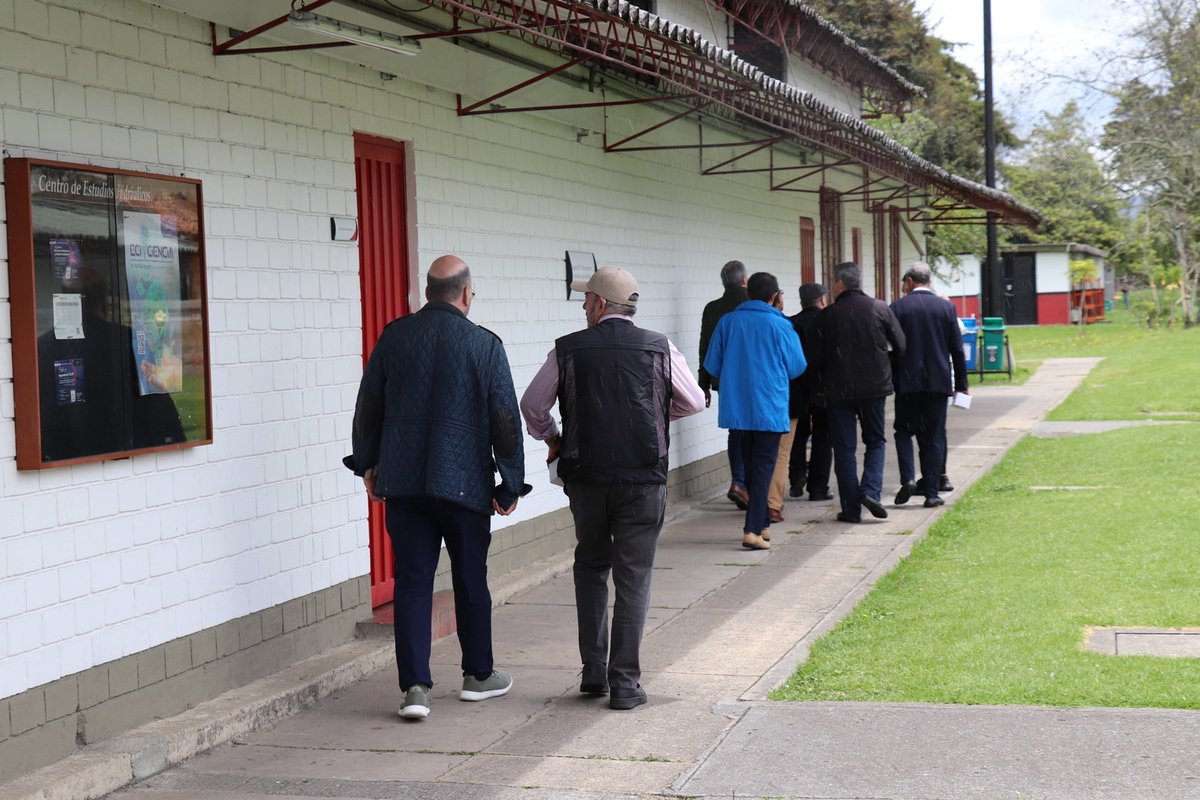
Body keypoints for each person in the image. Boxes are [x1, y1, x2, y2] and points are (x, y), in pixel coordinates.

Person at [343, 255, 529, 721]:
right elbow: (504, 420)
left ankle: (415, 690)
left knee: (411, 583)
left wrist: (368, 464)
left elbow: (368, 406)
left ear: (428, 292)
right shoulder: (485, 345)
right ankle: (478, 675)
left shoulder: (394, 337)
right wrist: (508, 485)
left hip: (404, 483)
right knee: (470, 578)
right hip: (465, 487)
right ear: (466, 293)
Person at [520, 266, 704, 711]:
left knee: (590, 567)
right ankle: (625, 683)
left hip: (586, 478)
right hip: (644, 478)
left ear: (601, 304)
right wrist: (657, 416)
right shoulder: (660, 347)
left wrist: (553, 437)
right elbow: (694, 400)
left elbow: (532, 405)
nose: (584, 306)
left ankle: (593, 672)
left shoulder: (568, 350)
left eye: (587, 300)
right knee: (634, 577)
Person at [703, 272, 806, 550]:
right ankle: (752, 530)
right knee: (763, 468)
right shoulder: (781, 325)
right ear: (774, 297)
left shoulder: (728, 322)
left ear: (748, 293)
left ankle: (762, 524)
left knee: (749, 467)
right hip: (769, 406)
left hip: (737, 406)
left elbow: (712, 364)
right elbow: (797, 366)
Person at [810, 262, 906, 524]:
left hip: (838, 390)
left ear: (840, 283)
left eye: (833, 281)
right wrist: (885, 366)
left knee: (844, 448)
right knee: (876, 440)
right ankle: (871, 490)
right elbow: (900, 345)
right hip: (874, 388)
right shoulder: (879, 308)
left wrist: (820, 386)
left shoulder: (828, 315)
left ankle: (851, 509)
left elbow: (815, 358)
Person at [890, 263, 969, 508]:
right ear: (930, 281)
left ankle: (908, 477)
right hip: (938, 381)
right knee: (933, 437)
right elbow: (956, 349)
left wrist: (893, 378)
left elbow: (892, 348)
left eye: (905, 282)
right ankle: (932, 494)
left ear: (911, 280)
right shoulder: (947, 308)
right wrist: (962, 385)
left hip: (907, 381)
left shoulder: (898, 308)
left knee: (903, 430)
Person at [698, 260, 750, 510]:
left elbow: (705, 348)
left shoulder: (713, 308)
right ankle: (750, 483)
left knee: (736, 430)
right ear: (744, 280)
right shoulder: (752, 306)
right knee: (755, 431)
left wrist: (703, 384)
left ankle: (738, 481)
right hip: (752, 378)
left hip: (724, 379)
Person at [785, 283, 834, 503]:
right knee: (823, 437)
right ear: (823, 299)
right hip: (824, 388)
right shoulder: (830, 321)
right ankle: (818, 488)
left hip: (796, 387)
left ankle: (797, 477)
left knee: (797, 435)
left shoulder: (791, 323)